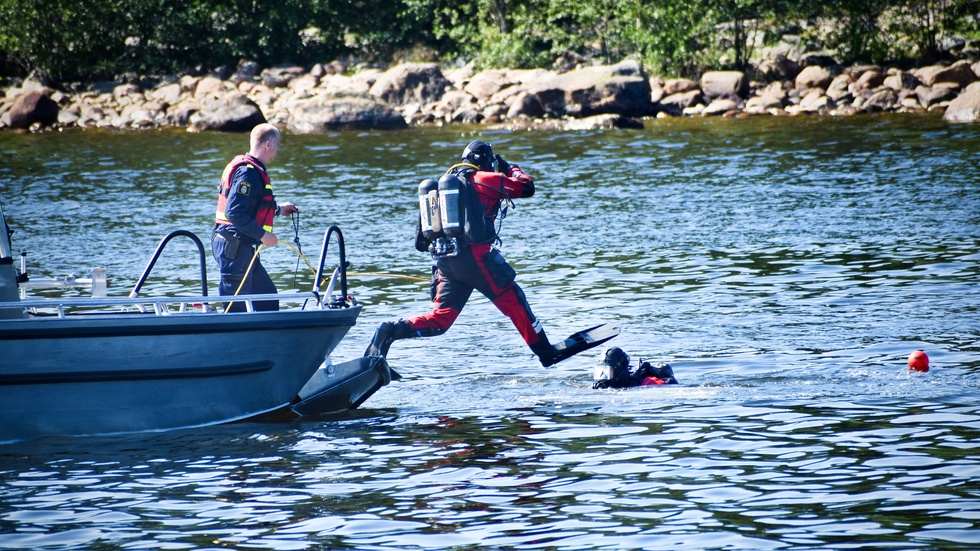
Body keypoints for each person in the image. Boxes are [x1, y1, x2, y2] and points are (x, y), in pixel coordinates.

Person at [364, 140, 564, 366]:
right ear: (487, 162)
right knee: (516, 303)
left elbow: (423, 240)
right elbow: (527, 187)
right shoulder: (486, 179)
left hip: (447, 263)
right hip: (478, 261)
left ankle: (390, 330)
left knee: (441, 320)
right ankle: (546, 353)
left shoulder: (442, 188)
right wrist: (511, 168)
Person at [211, 123, 298, 312]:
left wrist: (278, 209)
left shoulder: (252, 169)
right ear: (268, 144)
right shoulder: (248, 173)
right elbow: (234, 212)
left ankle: (269, 338)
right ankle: (232, 338)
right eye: (277, 146)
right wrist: (262, 235)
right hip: (233, 246)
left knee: (266, 299)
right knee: (237, 308)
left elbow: (251, 205)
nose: (277, 150)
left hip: (240, 245)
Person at [592, 347, 678, 389]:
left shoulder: (648, 383)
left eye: (607, 370)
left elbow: (672, 386)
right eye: (601, 370)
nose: (603, 375)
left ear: (618, 368)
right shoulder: (601, 385)